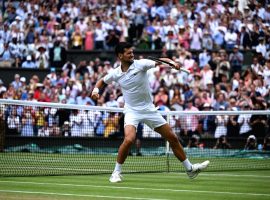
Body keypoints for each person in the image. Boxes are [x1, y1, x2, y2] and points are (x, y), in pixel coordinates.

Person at [91, 42, 209, 183]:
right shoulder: (115, 73)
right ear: (120, 56)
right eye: (128, 53)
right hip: (131, 111)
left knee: (172, 137)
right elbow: (101, 82)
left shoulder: (141, 64)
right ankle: (116, 172)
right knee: (129, 139)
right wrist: (96, 91)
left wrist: (172, 62)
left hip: (149, 110)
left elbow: (161, 61)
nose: (132, 54)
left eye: (132, 52)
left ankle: (190, 169)